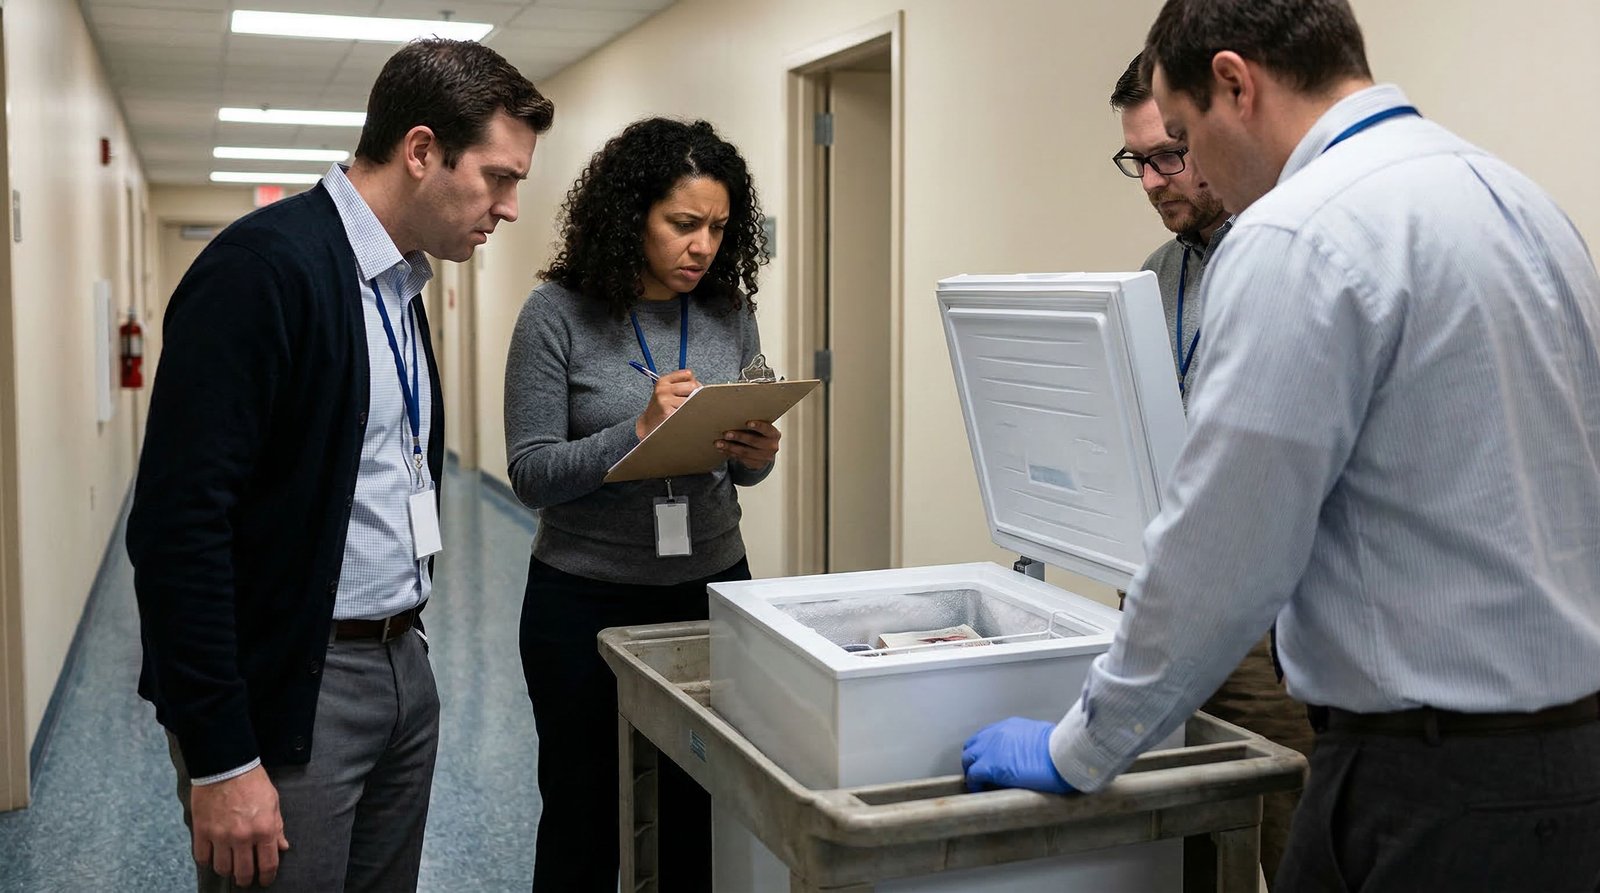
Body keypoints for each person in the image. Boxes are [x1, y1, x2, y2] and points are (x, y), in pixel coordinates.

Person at [964, 1, 1600, 890]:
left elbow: (1223, 555)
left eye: (1181, 135)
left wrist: (1080, 747)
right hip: (1565, 760)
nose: (1189, 174)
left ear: (1235, 84)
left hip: (1427, 781)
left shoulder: (1297, 232)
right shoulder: (1521, 203)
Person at [127, 39, 552, 891]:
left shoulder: (400, 287)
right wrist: (220, 757)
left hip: (402, 665)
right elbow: (178, 529)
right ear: (423, 150)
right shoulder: (262, 272)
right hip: (293, 687)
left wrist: (411, 661)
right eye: (499, 178)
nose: (508, 208)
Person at [504, 117, 776, 892]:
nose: (704, 246)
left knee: (697, 811)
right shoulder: (556, 314)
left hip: (710, 588)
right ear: (632, 217)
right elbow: (531, 472)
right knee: (585, 820)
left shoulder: (729, 311)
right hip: (584, 601)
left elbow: (737, 460)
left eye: (720, 228)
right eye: (683, 224)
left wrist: (755, 457)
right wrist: (636, 432)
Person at [1109, 51, 1314, 887]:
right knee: (1180, 832)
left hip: (1262, 622)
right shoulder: (1157, 275)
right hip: (1163, 592)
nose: (1155, 180)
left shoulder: (1283, 256)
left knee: (1289, 835)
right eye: (1139, 161)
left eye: (1170, 153)